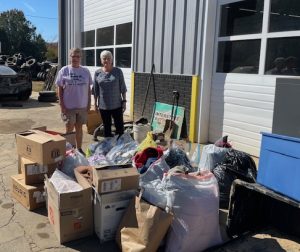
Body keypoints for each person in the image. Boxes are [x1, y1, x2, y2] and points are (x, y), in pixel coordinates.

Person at [55, 48, 92, 155]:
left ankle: (79, 149)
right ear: (70, 57)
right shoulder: (64, 70)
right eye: (73, 56)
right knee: (69, 129)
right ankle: (68, 150)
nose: (75, 58)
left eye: (77, 56)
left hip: (82, 107)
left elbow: (88, 90)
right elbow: (60, 88)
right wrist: (62, 105)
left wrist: (89, 104)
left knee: (79, 128)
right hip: (69, 107)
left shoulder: (85, 71)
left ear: (81, 58)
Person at [93, 50, 127, 137]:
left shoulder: (118, 71)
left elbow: (123, 87)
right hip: (103, 106)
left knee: (119, 128)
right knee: (107, 129)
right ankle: (109, 146)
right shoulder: (97, 73)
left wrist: (124, 102)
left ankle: (120, 146)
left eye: (108, 58)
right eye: (104, 58)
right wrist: (95, 105)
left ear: (112, 60)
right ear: (101, 60)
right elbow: (96, 90)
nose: (106, 60)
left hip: (117, 105)